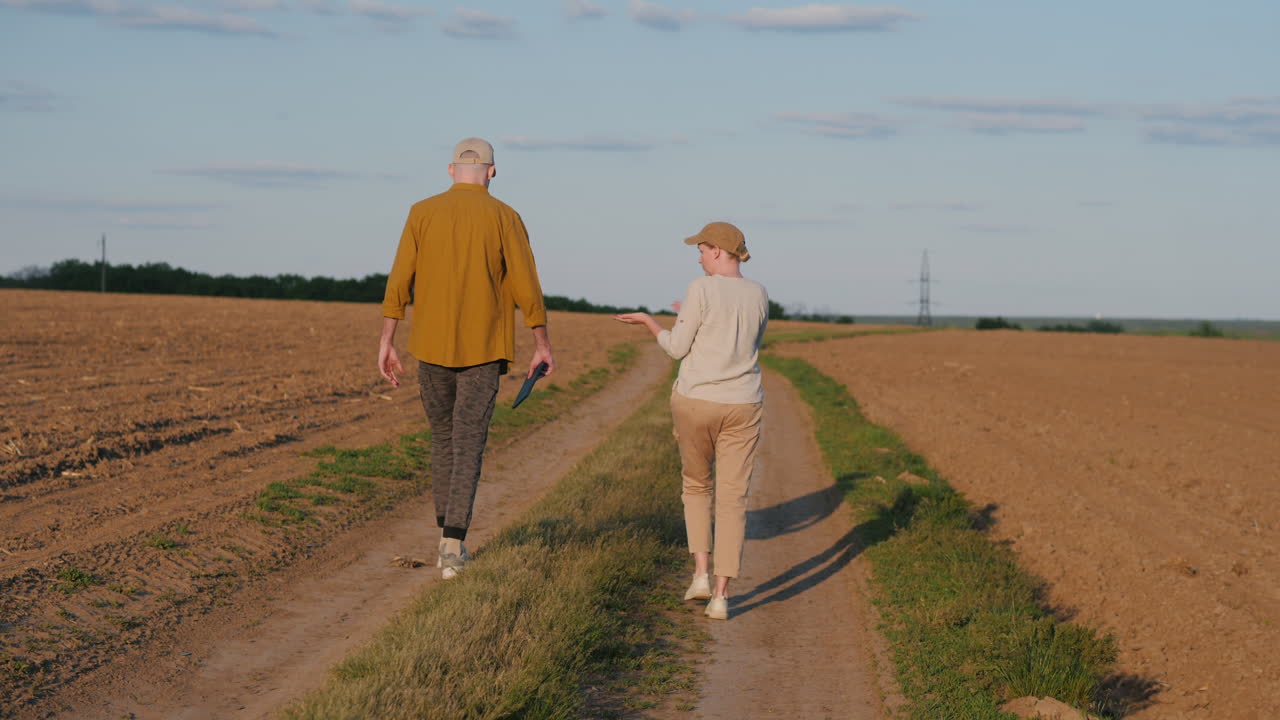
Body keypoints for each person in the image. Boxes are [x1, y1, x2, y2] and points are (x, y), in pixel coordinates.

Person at [378, 137, 554, 579]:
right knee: (468, 443)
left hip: (430, 348)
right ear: (492, 172)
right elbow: (525, 285)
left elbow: (400, 279)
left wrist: (387, 339)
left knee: (443, 440)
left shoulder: (422, 212)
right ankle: (452, 547)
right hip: (484, 350)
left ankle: (446, 538)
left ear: (451, 169)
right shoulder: (506, 217)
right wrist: (541, 342)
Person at [614, 221, 767, 620]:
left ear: (717, 250)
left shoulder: (701, 288)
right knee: (733, 499)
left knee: (696, 486)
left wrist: (652, 323)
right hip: (744, 404)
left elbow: (677, 349)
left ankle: (700, 574)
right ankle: (721, 596)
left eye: (700, 250)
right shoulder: (759, 293)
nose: (698, 258)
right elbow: (744, 341)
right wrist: (692, 316)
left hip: (696, 400)